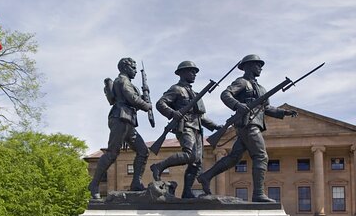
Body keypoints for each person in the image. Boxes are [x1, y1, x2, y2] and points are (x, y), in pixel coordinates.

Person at [197, 54, 297, 202]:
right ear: (249, 66)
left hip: (252, 124)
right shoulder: (242, 82)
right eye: (258, 65)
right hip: (248, 125)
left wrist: (283, 112)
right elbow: (225, 94)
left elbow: (266, 108)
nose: (260, 68)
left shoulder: (261, 89)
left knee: (233, 158)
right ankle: (258, 194)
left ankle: (206, 176)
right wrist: (238, 105)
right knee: (261, 156)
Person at [150, 61, 219, 198]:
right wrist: (172, 113)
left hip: (197, 128)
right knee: (190, 155)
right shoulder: (176, 89)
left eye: (195, 72)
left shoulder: (195, 93)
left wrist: (216, 126)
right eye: (191, 71)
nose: (194, 74)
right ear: (182, 73)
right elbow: (160, 103)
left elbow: (200, 117)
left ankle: (187, 191)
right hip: (185, 126)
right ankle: (159, 166)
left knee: (197, 162)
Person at [88, 57, 152, 199]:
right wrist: (146, 105)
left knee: (143, 151)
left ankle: (136, 182)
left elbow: (136, 98)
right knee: (112, 153)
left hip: (128, 121)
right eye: (133, 68)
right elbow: (132, 99)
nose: (135, 71)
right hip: (120, 118)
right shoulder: (122, 80)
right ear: (124, 67)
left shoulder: (128, 83)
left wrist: (145, 94)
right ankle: (94, 184)